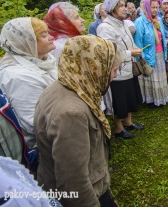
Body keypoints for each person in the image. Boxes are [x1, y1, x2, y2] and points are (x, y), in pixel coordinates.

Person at [35, 35, 125, 206]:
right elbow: (73, 183)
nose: (115, 75)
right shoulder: (71, 114)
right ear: (94, 68)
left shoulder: (68, 86)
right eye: (113, 69)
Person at [0, 17, 57, 150]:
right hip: (44, 148)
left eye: (48, 32)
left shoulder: (44, 61)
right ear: (25, 42)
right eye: (44, 35)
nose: (51, 37)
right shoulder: (19, 77)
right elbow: (35, 124)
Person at [97, 0, 144, 139]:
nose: (125, 9)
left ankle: (128, 122)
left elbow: (128, 42)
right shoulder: (105, 28)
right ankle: (118, 128)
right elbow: (109, 52)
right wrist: (131, 53)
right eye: (121, 6)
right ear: (112, 9)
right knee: (120, 101)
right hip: (117, 71)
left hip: (129, 68)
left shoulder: (123, 23)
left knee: (130, 97)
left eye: (125, 5)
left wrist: (135, 48)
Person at [134, 0, 168, 109]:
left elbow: (162, 38)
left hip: (159, 54)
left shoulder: (158, 20)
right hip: (148, 56)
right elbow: (138, 43)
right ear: (146, 8)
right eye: (152, 7)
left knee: (159, 78)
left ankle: (160, 98)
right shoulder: (140, 22)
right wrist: (143, 59)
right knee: (150, 79)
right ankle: (150, 101)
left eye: (156, 7)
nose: (155, 10)